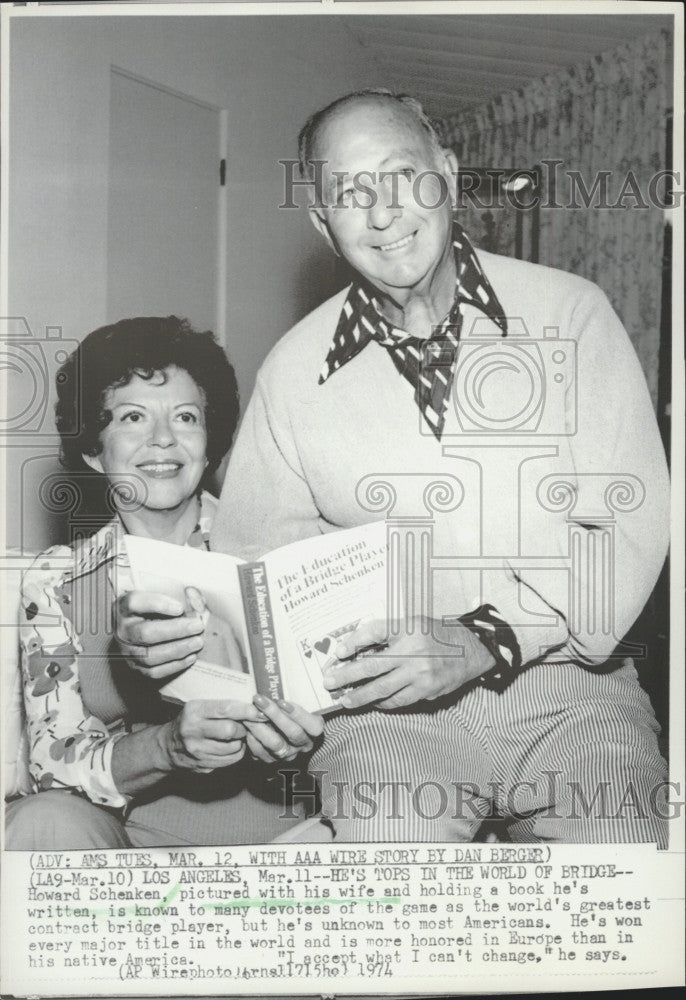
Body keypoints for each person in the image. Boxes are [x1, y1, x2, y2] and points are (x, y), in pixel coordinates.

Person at [117, 92, 670, 844]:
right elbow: (256, 581)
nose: (382, 214)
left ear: (445, 173)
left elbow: (627, 524)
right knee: (392, 870)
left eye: (401, 175)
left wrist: (488, 637)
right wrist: (206, 664)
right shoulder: (292, 372)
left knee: (615, 870)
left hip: (572, 690)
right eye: (349, 193)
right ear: (321, 221)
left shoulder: (572, 314)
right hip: (384, 718)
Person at [6, 316, 321, 850]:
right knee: (44, 818)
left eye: (185, 416)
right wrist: (167, 747)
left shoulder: (283, 549)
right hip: (136, 861)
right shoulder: (57, 583)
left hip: (296, 843)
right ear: (92, 447)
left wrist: (301, 735)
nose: (163, 440)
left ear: (209, 439)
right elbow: (52, 763)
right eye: (133, 417)